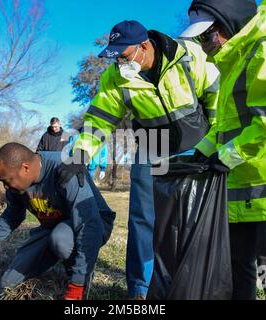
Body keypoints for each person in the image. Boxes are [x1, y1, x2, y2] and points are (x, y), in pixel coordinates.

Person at [58, 20, 220, 299]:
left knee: (192, 220)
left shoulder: (188, 55)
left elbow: (218, 96)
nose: (120, 64)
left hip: (197, 147)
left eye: (123, 56)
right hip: (151, 146)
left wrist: (216, 142)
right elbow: (101, 117)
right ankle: (141, 289)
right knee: (144, 219)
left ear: (144, 47)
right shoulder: (116, 77)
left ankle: (191, 284)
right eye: (115, 58)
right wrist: (80, 154)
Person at [181, 0, 266, 299]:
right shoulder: (236, 63)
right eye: (199, 38)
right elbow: (225, 125)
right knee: (237, 266)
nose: (203, 45)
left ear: (228, 25)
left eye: (206, 36)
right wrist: (203, 150)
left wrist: (227, 156)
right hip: (245, 189)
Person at [0, 143, 116, 300]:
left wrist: (77, 284)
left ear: (25, 168)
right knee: (6, 284)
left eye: (7, 180)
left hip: (93, 223)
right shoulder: (16, 187)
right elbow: (12, 216)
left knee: (60, 239)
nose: (5, 187)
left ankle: (79, 275)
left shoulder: (64, 169)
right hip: (54, 227)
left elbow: (89, 225)